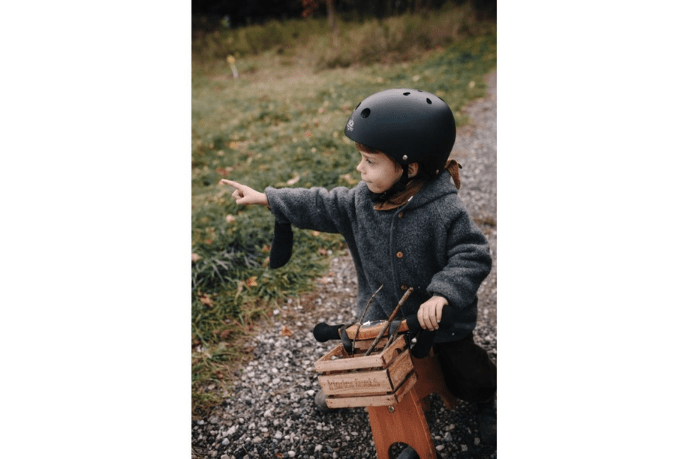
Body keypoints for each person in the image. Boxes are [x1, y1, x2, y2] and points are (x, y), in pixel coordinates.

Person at [221, 88, 497, 449]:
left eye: (370, 161)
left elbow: (472, 253)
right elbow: (321, 203)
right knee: (366, 365)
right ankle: (351, 394)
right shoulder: (360, 202)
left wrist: (444, 293)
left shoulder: (443, 210)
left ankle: (489, 400)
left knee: (467, 375)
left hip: (440, 322)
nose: (359, 168)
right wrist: (268, 198)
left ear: (409, 167)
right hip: (383, 315)